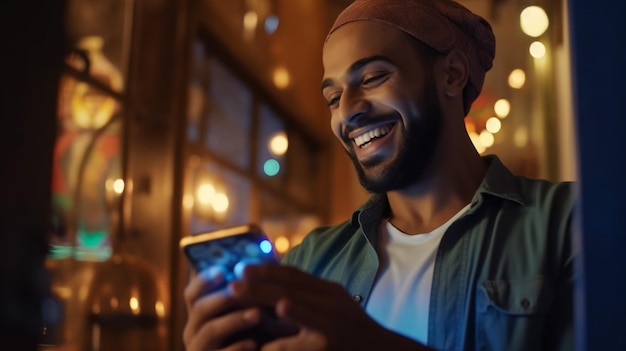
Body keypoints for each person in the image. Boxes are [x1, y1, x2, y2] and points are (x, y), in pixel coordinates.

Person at [183, 0, 576, 350]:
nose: (348, 111)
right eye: (333, 98)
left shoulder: (568, 223)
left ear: (452, 74)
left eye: (372, 78)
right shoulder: (310, 263)